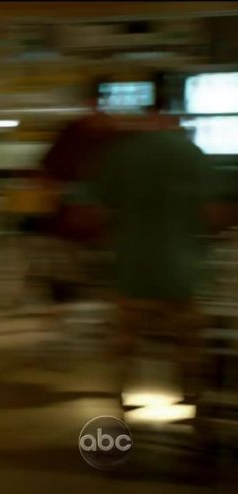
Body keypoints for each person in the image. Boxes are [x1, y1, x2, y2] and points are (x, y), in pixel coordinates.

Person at [72, 72, 229, 408]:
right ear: (173, 112)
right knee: (190, 349)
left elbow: (93, 213)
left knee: (124, 347)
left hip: (132, 274)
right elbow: (215, 215)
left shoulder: (121, 155)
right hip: (182, 277)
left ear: (145, 112)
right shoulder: (192, 155)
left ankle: (120, 410)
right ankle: (193, 406)